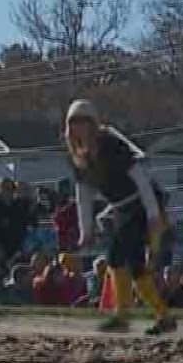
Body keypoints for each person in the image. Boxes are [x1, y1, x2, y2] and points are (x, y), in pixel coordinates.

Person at [64, 99, 177, 335]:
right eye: (74, 123)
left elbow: (141, 179)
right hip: (121, 209)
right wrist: (86, 230)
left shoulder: (111, 145)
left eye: (84, 122)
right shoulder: (78, 156)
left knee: (116, 256)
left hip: (139, 205)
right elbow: (83, 194)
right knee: (134, 266)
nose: (79, 128)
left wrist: (154, 214)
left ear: (93, 124)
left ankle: (122, 316)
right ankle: (162, 316)